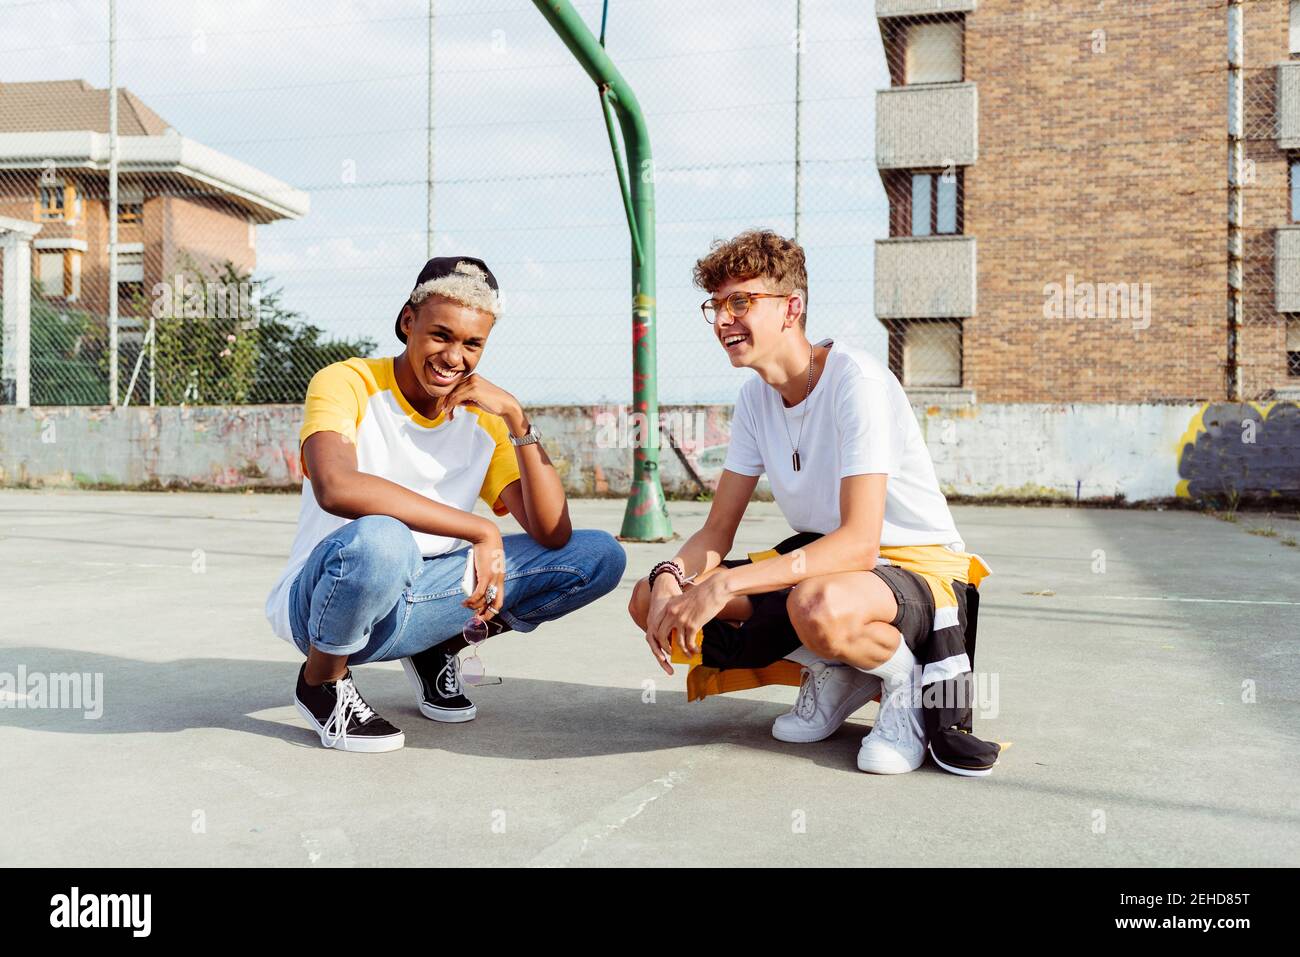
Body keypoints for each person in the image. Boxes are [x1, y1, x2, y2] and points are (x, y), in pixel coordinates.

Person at [627, 230, 998, 776]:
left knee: (816, 605)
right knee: (647, 599)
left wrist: (725, 583)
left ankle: (904, 684)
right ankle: (841, 668)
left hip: (917, 569)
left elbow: (860, 540)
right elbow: (716, 532)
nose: (725, 320)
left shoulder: (858, 382)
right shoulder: (756, 397)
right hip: (828, 567)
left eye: (741, 302)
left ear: (791, 308)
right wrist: (666, 575)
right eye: (717, 306)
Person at [265, 256, 626, 752]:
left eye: (472, 343)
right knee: (382, 538)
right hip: (328, 598)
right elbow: (335, 485)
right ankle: (323, 683)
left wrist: (519, 421)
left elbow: (552, 534)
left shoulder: (484, 419)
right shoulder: (346, 381)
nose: (454, 357)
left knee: (597, 555)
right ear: (408, 322)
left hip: (428, 596)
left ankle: (439, 647)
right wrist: (480, 530)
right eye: (441, 335)